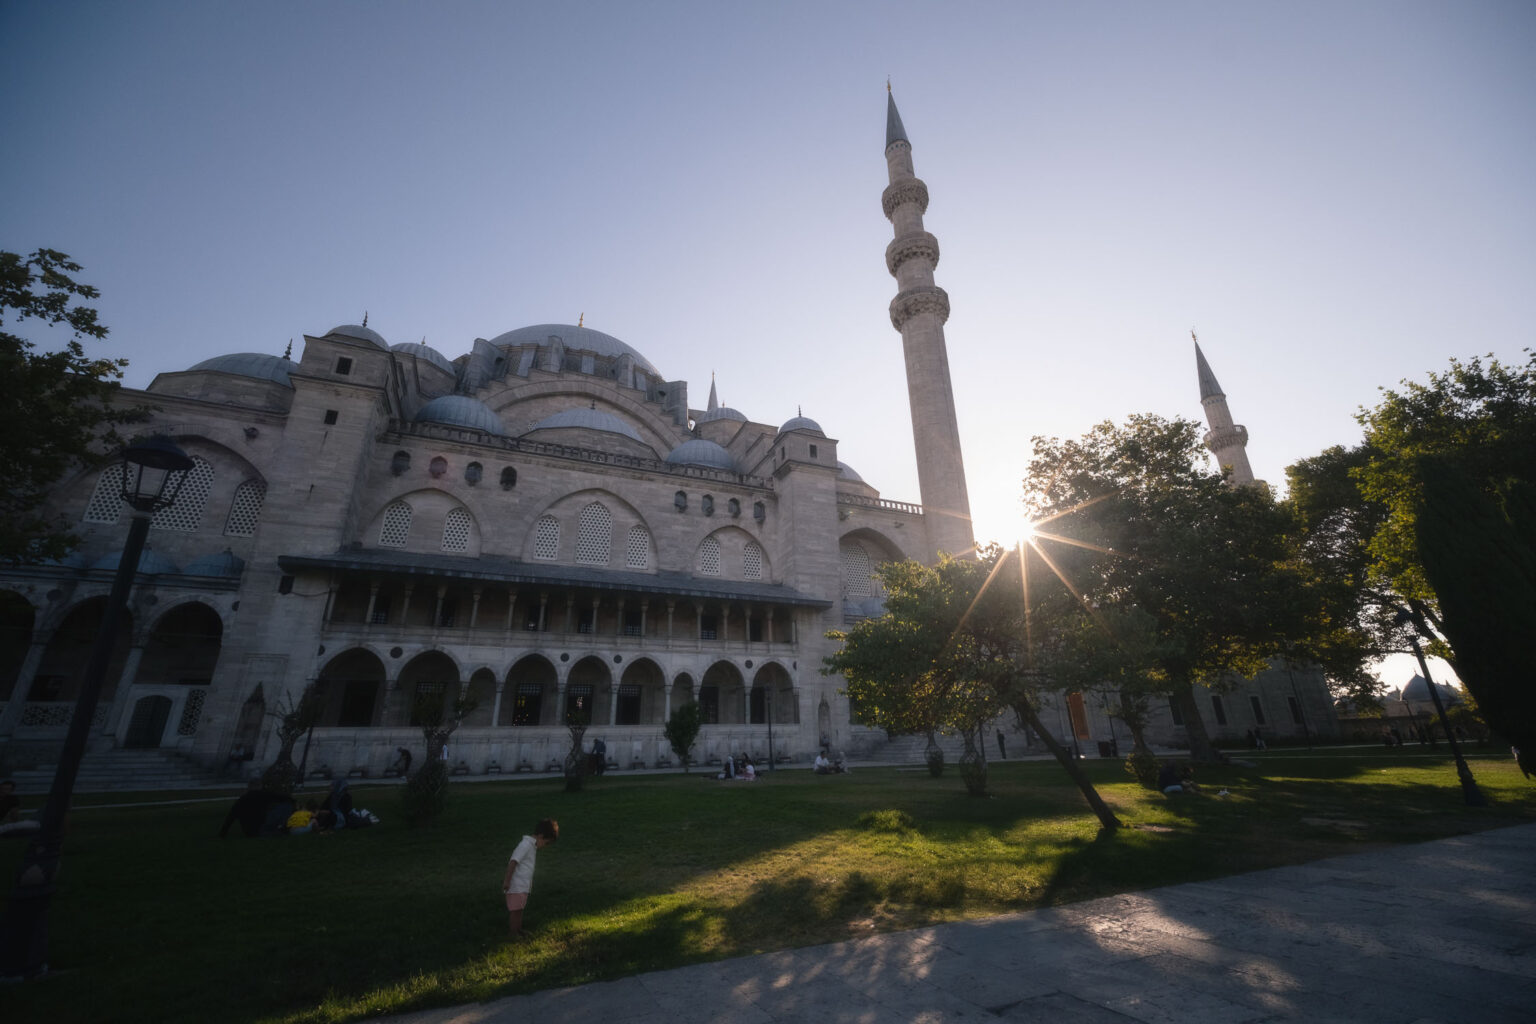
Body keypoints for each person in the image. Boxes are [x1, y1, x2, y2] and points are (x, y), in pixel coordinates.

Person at [502, 818, 559, 937]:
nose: (545, 846)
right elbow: (513, 861)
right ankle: (513, 933)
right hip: (516, 885)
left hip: (523, 885)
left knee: (520, 909)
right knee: (515, 910)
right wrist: (507, 881)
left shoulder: (532, 846)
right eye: (546, 842)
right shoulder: (525, 845)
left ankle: (518, 929)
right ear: (540, 835)